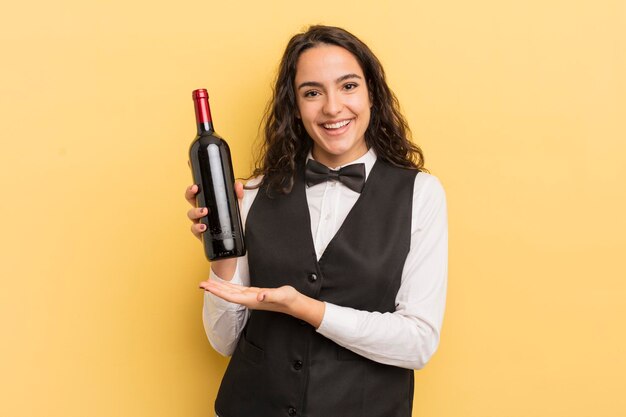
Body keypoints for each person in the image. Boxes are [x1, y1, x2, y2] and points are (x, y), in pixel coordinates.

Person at [185, 25, 448, 417]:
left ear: (371, 93)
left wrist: (307, 309)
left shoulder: (420, 193)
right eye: (312, 92)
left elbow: (417, 342)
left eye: (348, 86)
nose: (331, 107)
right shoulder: (253, 192)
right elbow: (224, 341)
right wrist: (222, 258)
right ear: (294, 106)